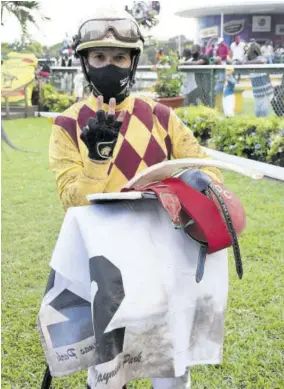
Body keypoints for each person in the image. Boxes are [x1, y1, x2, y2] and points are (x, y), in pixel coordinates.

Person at [49, 8, 223, 389]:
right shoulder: (66, 124)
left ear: (133, 61)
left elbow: (205, 169)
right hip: (103, 267)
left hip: (163, 255)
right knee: (109, 373)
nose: (109, 66)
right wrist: (96, 160)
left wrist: (191, 182)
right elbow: (71, 202)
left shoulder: (161, 116)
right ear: (84, 62)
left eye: (119, 57)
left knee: (170, 369)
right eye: (99, 57)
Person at [245, 41, 274, 117]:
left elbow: (262, 61)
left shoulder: (260, 58)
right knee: (258, 112)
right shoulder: (248, 60)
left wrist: (247, 63)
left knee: (263, 111)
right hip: (258, 91)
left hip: (265, 91)